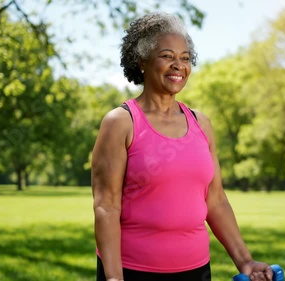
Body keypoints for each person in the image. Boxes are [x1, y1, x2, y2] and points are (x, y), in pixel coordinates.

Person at [91, 12, 273, 281]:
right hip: (134, 271)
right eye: (167, 56)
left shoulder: (201, 123)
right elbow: (106, 206)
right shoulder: (121, 122)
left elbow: (216, 199)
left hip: (196, 270)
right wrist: (114, 278)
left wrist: (245, 261)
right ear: (142, 61)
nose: (178, 65)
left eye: (185, 58)